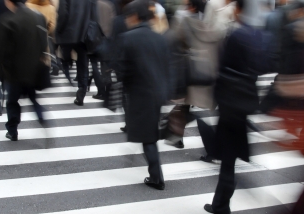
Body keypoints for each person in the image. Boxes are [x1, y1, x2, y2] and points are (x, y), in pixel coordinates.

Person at [204, 0, 268, 214]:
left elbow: (222, 68)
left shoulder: (236, 35)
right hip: (245, 100)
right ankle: (221, 203)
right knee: (229, 154)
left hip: (230, 101)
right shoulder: (258, 35)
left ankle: (221, 205)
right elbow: (262, 66)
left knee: (228, 156)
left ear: (239, 10)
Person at [119, 0, 169, 190]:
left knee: (147, 137)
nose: (126, 21)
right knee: (149, 134)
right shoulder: (159, 37)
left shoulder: (129, 38)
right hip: (158, 92)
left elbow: (124, 70)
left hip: (140, 93)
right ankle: (155, 176)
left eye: (127, 17)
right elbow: (167, 66)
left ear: (134, 16)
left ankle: (157, 178)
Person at [166, 0, 224, 149]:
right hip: (209, 74)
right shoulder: (215, 28)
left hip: (191, 72)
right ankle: (176, 135)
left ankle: (211, 148)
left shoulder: (185, 22)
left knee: (186, 107)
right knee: (192, 107)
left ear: (192, 6)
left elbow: (173, 41)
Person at [0, 0, 50, 141]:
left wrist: (1, 71)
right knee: (33, 99)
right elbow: (44, 42)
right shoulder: (38, 17)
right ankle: (42, 119)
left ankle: (12, 131)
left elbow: (1, 51)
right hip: (33, 69)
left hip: (14, 72)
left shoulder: (7, 20)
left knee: (12, 101)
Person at [56, 0, 95, 106]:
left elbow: (63, 13)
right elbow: (94, 15)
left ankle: (67, 68)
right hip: (84, 33)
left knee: (65, 57)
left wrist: (58, 29)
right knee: (83, 64)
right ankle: (81, 92)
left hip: (68, 33)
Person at [89, 0, 116, 100]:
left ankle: (100, 91)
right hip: (107, 39)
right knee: (105, 67)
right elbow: (113, 21)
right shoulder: (109, 5)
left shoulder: (91, 4)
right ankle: (108, 89)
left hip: (93, 38)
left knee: (94, 65)